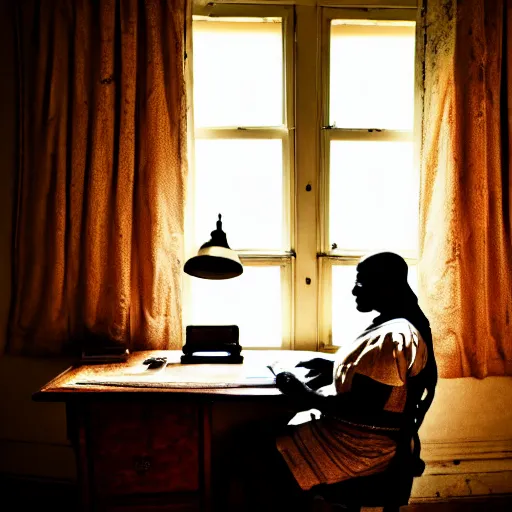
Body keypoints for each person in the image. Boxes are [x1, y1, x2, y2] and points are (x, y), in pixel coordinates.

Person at [274, 251, 438, 500]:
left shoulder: (393, 336)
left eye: (360, 284)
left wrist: (305, 395)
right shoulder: (397, 325)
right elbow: (383, 380)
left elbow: (365, 408)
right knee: (260, 439)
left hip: (360, 448)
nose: (354, 291)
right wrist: (333, 366)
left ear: (387, 286)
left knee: (255, 452)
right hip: (359, 437)